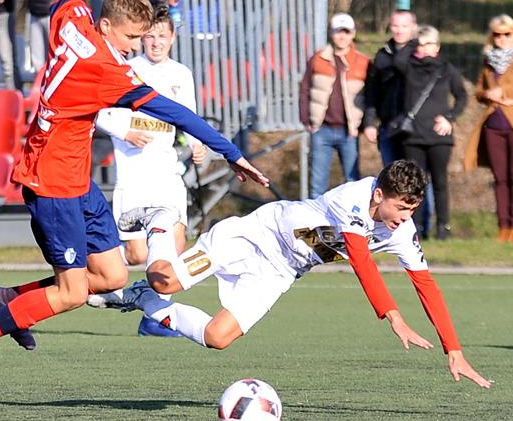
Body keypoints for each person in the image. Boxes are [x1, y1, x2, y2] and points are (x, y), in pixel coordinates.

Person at [0, 0, 269, 392]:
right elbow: (175, 112)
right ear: (108, 26)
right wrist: (232, 152)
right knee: (73, 293)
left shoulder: (73, 18)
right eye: (132, 36)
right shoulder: (106, 71)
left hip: (75, 177)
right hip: (51, 181)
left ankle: (12, 301)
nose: (136, 46)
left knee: (113, 276)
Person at [88, 160, 491, 389]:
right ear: (379, 194)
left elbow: (426, 285)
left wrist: (453, 349)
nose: (405, 218)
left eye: (412, 210)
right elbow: (360, 260)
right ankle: (162, 220)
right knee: (164, 279)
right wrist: (393, 316)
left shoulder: (401, 230)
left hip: (280, 270)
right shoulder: (355, 198)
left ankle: (144, 300)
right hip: (256, 235)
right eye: (401, 208)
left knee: (218, 337)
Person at [96, 4, 207, 266]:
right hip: (133, 176)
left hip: (167, 174)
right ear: (142, 38)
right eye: (150, 36)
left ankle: (154, 295)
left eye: (162, 36)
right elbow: (100, 114)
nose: (156, 43)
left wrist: (197, 143)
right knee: (138, 255)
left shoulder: (181, 74)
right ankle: (97, 263)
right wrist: (126, 133)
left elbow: (189, 116)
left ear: (172, 38)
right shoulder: (127, 70)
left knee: (174, 249)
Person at [462, 15, 513, 243]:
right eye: (497, 34)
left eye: (507, 34)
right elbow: (478, 91)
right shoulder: (488, 60)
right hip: (493, 125)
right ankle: (503, 226)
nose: (502, 38)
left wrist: (506, 93)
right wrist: (488, 94)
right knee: (499, 178)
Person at [392, 26, 467, 240]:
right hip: (413, 136)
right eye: (420, 44)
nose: (424, 48)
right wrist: (412, 42)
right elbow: (398, 61)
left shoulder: (447, 69)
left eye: (428, 44)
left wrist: (450, 117)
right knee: (414, 184)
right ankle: (414, 227)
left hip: (438, 136)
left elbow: (462, 96)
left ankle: (443, 227)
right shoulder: (408, 67)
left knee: (440, 182)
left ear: (437, 46)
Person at [299, 12, 369, 199]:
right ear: (331, 33)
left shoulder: (362, 61)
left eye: (346, 32)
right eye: (338, 32)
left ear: (353, 34)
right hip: (321, 130)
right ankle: (315, 218)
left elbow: (370, 95)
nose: (342, 36)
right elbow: (305, 88)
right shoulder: (318, 58)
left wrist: (362, 126)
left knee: (353, 184)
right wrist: (306, 120)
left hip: (349, 132)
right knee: (317, 186)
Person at [364, 10, 417, 165]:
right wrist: (369, 123)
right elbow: (372, 92)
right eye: (395, 25)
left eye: (404, 26)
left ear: (413, 27)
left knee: (417, 176)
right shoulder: (382, 55)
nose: (399, 30)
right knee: (391, 176)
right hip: (388, 128)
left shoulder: (421, 54)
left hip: (415, 129)